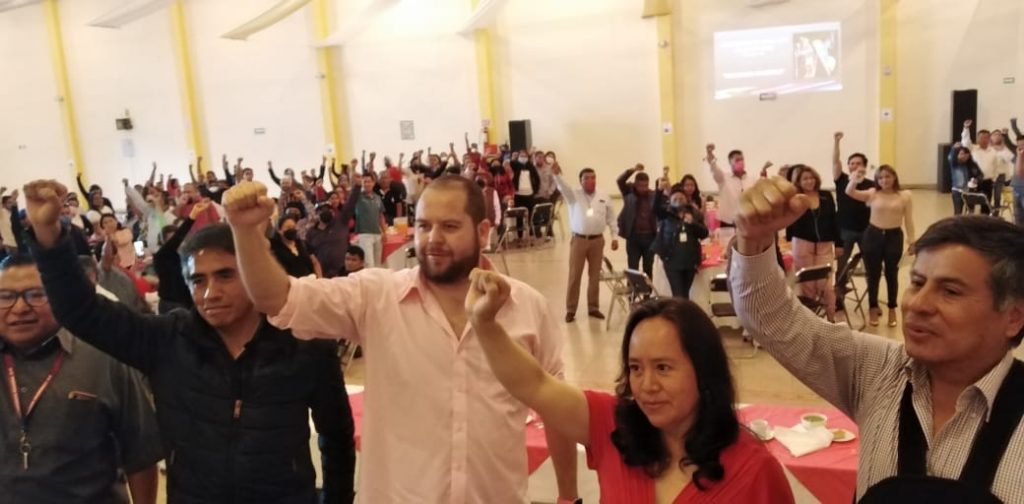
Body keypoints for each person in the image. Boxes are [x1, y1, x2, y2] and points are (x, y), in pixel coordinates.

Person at [220, 175, 579, 503]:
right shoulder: (376, 297)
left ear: (483, 231)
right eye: (423, 226)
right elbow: (277, 299)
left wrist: (567, 495)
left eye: (450, 226)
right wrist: (245, 233)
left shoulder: (527, 308)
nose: (433, 238)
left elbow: (555, 409)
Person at [21, 180, 355, 504]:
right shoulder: (168, 339)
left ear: (254, 271)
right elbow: (81, 311)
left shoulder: (304, 342)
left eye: (225, 275)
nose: (210, 293)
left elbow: (337, 438)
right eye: (198, 280)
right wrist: (48, 236)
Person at [731, 176, 1024, 502]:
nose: (918, 304)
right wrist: (754, 240)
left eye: (950, 291)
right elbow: (772, 319)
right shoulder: (879, 371)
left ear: (1013, 317)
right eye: (917, 283)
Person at [466, 274, 794, 503]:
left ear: (703, 370)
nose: (646, 386)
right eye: (635, 368)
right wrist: (484, 324)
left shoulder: (753, 472)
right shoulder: (614, 427)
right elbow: (534, 385)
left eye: (663, 367)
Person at [0, 254, 162, 503]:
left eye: (36, 294)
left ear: (58, 295)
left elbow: (141, 453)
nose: (20, 308)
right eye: (5, 297)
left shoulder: (104, 355)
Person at [846, 165, 915, 327]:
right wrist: (856, 177)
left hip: (894, 236)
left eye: (888, 176)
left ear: (894, 177)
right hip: (873, 235)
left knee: (892, 273)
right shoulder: (872, 193)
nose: (884, 180)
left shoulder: (904, 196)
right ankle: (873, 307)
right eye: (881, 177)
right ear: (877, 180)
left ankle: (892, 308)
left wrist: (912, 241)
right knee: (873, 274)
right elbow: (849, 192)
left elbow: (909, 220)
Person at [553, 165, 619, 323]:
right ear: (581, 181)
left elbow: (611, 217)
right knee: (575, 276)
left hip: (597, 241)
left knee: (594, 276)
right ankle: (571, 309)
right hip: (579, 241)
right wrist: (556, 175)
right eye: (586, 178)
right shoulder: (573, 195)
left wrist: (614, 236)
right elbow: (563, 187)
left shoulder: (603, 195)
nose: (591, 180)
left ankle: (593, 307)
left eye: (593, 177)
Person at [786, 166, 842, 321]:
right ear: (799, 182)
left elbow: (834, 220)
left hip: (825, 244)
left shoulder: (826, 196)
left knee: (826, 284)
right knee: (807, 285)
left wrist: (839, 243)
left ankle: (831, 318)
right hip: (803, 244)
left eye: (811, 178)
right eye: (805, 179)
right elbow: (789, 221)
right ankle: (811, 320)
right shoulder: (795, 198)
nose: (809, 181)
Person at [831, 132, 875, 318]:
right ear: (848, 166)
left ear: (864, 166)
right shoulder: (841, 179)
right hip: (845, 230)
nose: (855, 166)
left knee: (871, 267)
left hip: (866, 230)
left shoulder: (872, 184)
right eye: (852, 163)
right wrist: (836, 142)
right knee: (842, 268)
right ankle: (838, 301)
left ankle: (873, 303)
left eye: (858, 163)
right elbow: (835, 161)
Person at [653, 189, 709, 299]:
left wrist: (693, 223)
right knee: (678, 294)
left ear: (686, 200)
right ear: (670, 201)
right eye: (675, 199)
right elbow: (655, 209)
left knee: (685, 294)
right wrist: (659, 190)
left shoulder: (694, 213)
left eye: (681, 198)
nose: (678, 201)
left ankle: (685, 310)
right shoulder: (665, 214)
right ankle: (679, 310)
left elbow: (704, 233)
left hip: (690, 261)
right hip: (672, 262)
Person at [306, 186, 361, 278]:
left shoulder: (341, 222)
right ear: (317, 214)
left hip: (343, 273)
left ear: (333, 212)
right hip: (322, 275)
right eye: (322, 210)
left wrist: (357, 186)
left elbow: (351, 204)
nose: (326, 212)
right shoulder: (311, 232)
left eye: (329, 210)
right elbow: (309, 255)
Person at [706, 144, 755, 244]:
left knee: (747, 249)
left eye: (742, 159)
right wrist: (710, 153)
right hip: (728, 223)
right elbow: (714, 168)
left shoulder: (751, 180)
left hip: (748, 222)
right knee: (728, 250)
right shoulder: (723, 178)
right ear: (730, 162)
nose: (740, 162)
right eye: (737, 160)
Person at [617, 164, 658, 278]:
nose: (643, 188)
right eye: (640, 186)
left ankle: (647, 289)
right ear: (635, 184)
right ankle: (632, 289)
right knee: (632, 267)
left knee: (648, 267)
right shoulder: (628, 192)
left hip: (650, 237)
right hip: (633, 237)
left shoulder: (653, 195)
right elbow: (620, 180)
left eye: (646, 185)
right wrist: (633, 170)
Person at [354, 174, 386, 268]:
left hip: (377, 233)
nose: (367, 184)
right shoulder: (358, 197)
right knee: (369, 264)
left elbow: (380, 216)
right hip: (365, 234)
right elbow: (353, 185)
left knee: (378, 263)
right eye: (365, 182)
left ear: (373, 183)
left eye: (369, 181)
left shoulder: (377, 198)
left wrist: (384, 232)